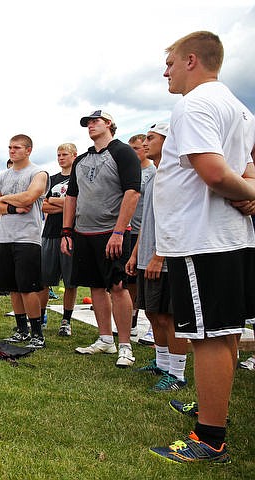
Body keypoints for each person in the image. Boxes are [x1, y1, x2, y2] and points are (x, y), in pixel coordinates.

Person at [149, 31, 255, 464]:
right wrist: (249, 187)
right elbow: (247, 166)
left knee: (207, 336)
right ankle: (212, 408)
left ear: (192, 60)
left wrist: (249, 190)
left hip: (201, 236)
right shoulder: (239, 108)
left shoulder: (193, 105)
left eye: (171, 62)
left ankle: (210, 437)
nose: (166, 70)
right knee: (223, 331)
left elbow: (212, 172)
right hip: (226, 235)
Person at [61, 110, 141, 368]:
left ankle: (126, 345)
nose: (90, 126)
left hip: (112, 231)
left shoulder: (122, 152)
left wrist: (119, 231)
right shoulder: (81, 159)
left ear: (109, 124)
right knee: (95, 286)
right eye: (87, 123)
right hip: (84, 232)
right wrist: (66, 231)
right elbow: (71, 197)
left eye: (95, 121)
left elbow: (132, 192)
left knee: (117, 286)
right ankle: (105, 338)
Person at [125, 122, 190, 392]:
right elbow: (148, 221)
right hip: (146, 254)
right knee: (151, 312)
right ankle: (162, 363)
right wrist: (136, 253)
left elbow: (178, 219)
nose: (146, 142)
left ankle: (177, 373)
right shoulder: (154, 175)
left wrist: (160, 256)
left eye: (152, 138)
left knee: (168, 316)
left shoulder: (176, 173)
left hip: (166, 256)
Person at [0, 134, 49, 349]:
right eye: (10, 147)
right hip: (5, 237)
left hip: (27, 238)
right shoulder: (2, 176)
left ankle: (37, 333)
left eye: (17, 148)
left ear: (28, 150)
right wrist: (12, 207)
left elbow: (30, 197)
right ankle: (21, 330)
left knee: (28, 288)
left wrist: (3, 199)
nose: (12, 151)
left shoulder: (38, 173)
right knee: (13, 287)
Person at [39, 143, 78, 336]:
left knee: (70, 281)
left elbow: (79, 205)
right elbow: (43, 206)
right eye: (58, 155)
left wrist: (59, 203)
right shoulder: (52, 179)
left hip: (71, 234)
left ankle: (66, 320)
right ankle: (41, 316)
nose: (61, 158)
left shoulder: (78, 179)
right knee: (44, 279)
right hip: (50, 233)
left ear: (74, 155)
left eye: (64, 154)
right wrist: (65, 204)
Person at [126, 133, 156, 338]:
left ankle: (154, 328)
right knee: (128, 280)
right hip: (129, 230)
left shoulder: (153, 172)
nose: (133, 152)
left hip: (145, 231)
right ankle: (132, 321)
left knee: (147, 280)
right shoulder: (130, 170)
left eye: (136, 148)